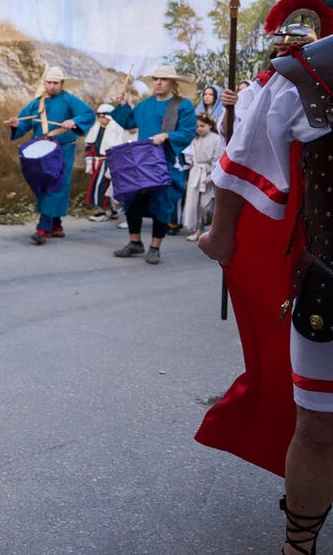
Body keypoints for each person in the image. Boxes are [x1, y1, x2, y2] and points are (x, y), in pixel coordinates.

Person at [199, 31, 333, 555]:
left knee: (319, 429)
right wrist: (222, 236)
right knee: (318, 425)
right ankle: (298, 547)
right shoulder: (305, 72)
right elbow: (244, 159)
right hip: (330, 285)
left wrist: (221, 238)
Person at [108, 65, 197, 264]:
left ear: (173, 82)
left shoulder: (182, 105)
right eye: (156, 78)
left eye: (163, 79)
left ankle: (155, 246)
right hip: (140, 162)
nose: (158, 82)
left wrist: (167, 135)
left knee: (162, 204)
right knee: (132, 200)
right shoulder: (144, 105)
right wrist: (123, 105)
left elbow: (188, 132)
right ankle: (135, 242)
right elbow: (130, 123)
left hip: (166, 161)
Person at [5, 65, 95, 244]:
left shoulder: (69, 100)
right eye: (49, 82)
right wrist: (16, 125)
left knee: (55, 186)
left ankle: (42, 228)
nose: (52, 86)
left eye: (56, 83)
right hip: (41, 151)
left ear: (62, 84)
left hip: (62, 150)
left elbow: (88, 114)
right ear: (44, 83)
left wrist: (74, 121)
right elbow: (24, 123)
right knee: (43, 185)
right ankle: (56, 225)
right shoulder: (36, 103)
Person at [180, 114, 224, 241]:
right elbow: (191, 159)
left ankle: (211, 227)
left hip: (208, 173)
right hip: (196, 173)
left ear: (210, 126)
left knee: (207, 204)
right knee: (195, 203)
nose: (199, 129)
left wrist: (212, 177)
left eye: (202, 126)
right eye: (197, 126)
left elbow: (217, 159)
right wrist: (189, 177)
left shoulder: (216, 139)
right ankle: (198, 229)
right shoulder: (195, 140)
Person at [84, 103, 130, 222]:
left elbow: (119, 148)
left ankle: (114, 210)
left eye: (103, 117)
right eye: (99, 117)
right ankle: (101, 210)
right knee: (99, 186)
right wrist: (89, 163)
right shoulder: (95, 129)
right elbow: (90, 146)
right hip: (98, 162)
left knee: (110, 187)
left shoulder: (117, 131)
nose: (100, 119)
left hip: (110, 162)